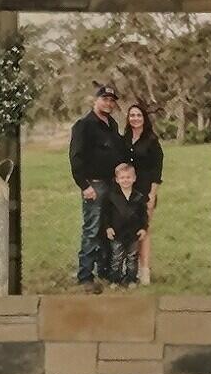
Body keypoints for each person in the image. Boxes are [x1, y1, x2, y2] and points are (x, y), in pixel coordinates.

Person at [68, 82, 123, 288]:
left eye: (111, 101)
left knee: (107, 228)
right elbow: (76, 157)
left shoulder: (112, 125)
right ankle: (85, 276)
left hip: (112, 185)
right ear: (95, 100)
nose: (108, 103)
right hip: (94, 185)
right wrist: (85, 186)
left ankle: (105, 271)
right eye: (104, 99)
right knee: (91, 230)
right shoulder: (84, 125)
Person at [123, 101, 165, 286]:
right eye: (132, 115)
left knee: (143, 230)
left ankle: (145, 270)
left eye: (138, 115)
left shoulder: (152, 140)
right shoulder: (124, 139)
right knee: (127, 229)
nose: (135, 118)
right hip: (126, 191)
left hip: (146, 190)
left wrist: (152, 195)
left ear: (144, 118)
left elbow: (157, 171)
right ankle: (128, 268)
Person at [102, 159, 150, 286]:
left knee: (132, 258)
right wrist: (108, 228)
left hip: (133, 233)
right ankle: (114, 280)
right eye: (122, 177)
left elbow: (144, 215)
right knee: (116, 258)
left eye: (128, 177)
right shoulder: (111, 196)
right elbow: (105, 214)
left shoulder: (139, 197)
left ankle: (131, 279)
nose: (125, 180)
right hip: (117, 233)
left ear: (134, 178)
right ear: (117, 179)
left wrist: (143, 228)